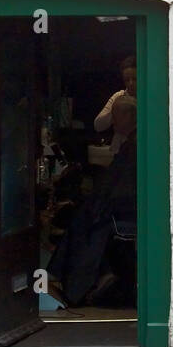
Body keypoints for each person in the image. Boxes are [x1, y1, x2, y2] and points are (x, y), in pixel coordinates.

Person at [48, 96, 137, 307]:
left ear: (129, 116)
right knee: (82, 216)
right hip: (119, 203)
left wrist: (99, 201)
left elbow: (124, 187)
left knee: (88, 223)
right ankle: (74, 279)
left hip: (126, 209)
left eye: (116, 118)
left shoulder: (135, 145)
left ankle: (74, 285)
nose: (114, 123)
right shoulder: (131, 143)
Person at [94, 56, 137, 154]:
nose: (130, 83)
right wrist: (118, 109)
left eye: (134, 79)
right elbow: (98, 125)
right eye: (127, 80)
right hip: (119, 150)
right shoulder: (119, 96)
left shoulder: (149, 99)